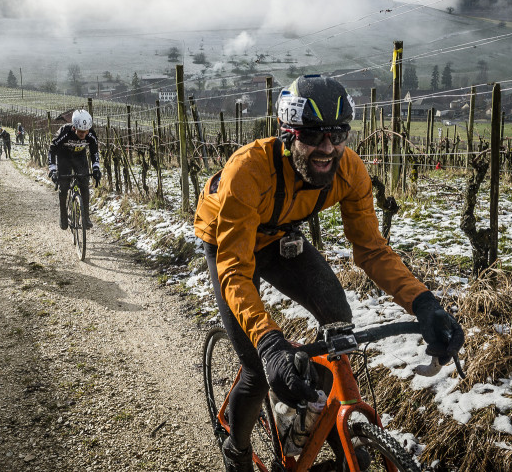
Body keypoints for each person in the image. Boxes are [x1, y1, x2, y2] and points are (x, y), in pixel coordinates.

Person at [194, 74, 464, 472]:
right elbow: (234, 270)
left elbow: (371, 250)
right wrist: (271, 345)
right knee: (255, 364)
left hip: (278, 237)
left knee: (340, 324)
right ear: (288, 134)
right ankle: (236, 448)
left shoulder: (349, 170)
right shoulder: (248, 171)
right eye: (313, 135)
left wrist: (424, 302)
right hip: (226, 242)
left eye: (338, 134)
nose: (327, 148)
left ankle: (324, 434)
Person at [47, 109, 101, 230]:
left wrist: (96, 168)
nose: (83, 135)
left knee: (84, 184)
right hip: (64, 157)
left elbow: (94, 152)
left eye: (85, 132)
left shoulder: (90, 134)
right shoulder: (64, 132)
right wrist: (53, 169)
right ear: (74, 128)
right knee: (64, 186)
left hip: (79, 157)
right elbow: (52, 150)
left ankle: (86, 217)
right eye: (80, 132)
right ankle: (63, 216)